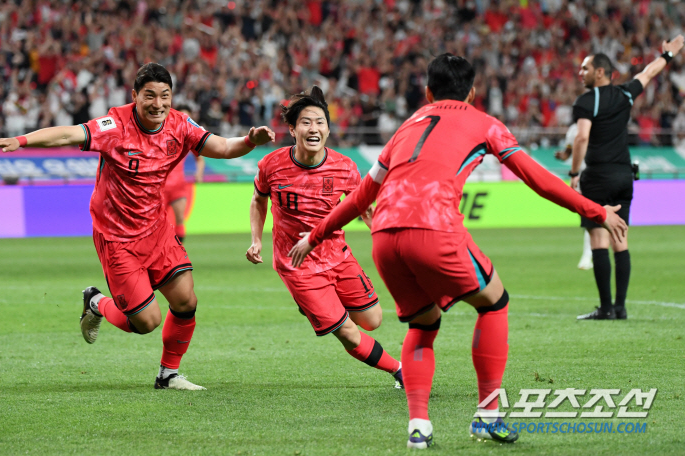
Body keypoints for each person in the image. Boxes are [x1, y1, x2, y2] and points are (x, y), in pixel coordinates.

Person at [288, 54, 627, 449]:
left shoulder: (407, 126)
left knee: (423, 325)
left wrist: (314, 235)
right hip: (434, 226)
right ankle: (487, 415)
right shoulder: (485, 123)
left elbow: (364, 193)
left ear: (428, 91)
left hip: (384, 236)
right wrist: (595, 209)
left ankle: (419, 426)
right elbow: (537, 178)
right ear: (472, 92)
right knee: (494, 302)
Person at [0, 63, 275, 390]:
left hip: (156, 230)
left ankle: (168, 375)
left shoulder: (180, 124)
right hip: (116, 237)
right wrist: (21, 141)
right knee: (146, 321)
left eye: (165, 96)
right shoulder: (114, 125)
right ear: (135, 95)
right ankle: (96, 302)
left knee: (186, 300)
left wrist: (250, 140)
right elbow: (69, 133)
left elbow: (222, 147)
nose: (158, 104)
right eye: (149, 96)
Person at [246, 86, 403, 389]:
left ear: (329, 130)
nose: (313, 128)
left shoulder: (345, 168)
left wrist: (388, 239)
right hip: (297, 265)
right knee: (346, 332)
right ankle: (400, 371)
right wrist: (256, 240)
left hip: (338, 256)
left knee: (372, 320)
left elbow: (363, 210)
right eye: (305, 122)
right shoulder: (271, 165)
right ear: (292, 129)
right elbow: (258, 199)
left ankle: (315, 305)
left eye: (319, 122)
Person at [570, 36, 684, 320]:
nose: (580, 73)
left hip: (597, 176)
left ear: (600, 72)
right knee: (621, 239)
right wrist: (668, 56)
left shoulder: (587, 101)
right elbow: (648, 73)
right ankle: (620, 307)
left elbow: (582, 137)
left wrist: (574, 173)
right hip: (624, 174)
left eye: (585, 68)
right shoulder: (625, 94)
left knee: (599, 240)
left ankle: (606, 308)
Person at [164, 105, 206, 243]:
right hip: (160, 188)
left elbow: (200, 159)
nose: (184, 120)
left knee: (180, 221)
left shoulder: (189, 138)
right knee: (156, 224)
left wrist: (199, 173)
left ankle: (178, 254)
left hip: (178, 186)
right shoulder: (162, 134)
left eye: (187, 118)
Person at [554, 123, 592, 270]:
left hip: (596, 174)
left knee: (590, 216)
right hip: (580, 176)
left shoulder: (597, 124)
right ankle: (592, 250)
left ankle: (588, 255)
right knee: (585, 215)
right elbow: (567, 153)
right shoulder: (573, 130)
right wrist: (561, 156)